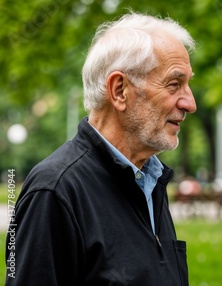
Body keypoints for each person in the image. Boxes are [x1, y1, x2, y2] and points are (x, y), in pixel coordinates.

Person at [6, 12, 196, 285]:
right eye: (174, 84)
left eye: (188, 85)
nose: (190, 103)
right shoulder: (54, 191)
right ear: (119, 91)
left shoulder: (150, 179)